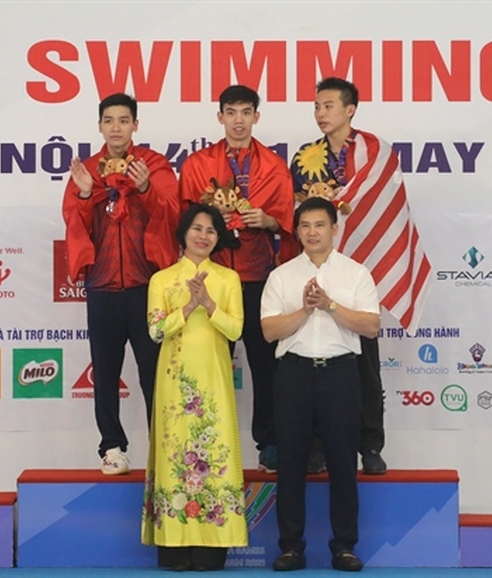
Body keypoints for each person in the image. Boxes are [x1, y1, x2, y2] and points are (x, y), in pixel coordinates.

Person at [290, 77, 432, 476]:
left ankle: (370, 444)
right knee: (314, 358)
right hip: (319, 264)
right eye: (317, 106)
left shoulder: (376, 152)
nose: (321, 114)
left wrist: (342, 201)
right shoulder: (304, 156)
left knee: (366, 363)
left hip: (361, 270)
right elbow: (300, 210)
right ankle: (316, 446)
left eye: (329, 106)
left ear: (350, 109)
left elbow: (381, 204)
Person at [178, 84, 296, 473]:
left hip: (257, 276)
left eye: (247, 112)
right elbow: (185, 219)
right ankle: (206, 443)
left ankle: (270, 443)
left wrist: (268, 220)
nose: (239, 120)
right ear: (220, 117)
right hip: (213, 277)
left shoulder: (274, 166)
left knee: (265, 366)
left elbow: (286, 220)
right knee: (209, 362)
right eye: (232, 112)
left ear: (257, 117)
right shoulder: (197, 165)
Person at [62, 93, 180, 475]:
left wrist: (145, 190)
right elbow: (74, 221)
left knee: (154, 375)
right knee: (106, 374)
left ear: (135, 125)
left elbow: (173, 214)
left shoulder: (154, 165)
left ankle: (162, 448)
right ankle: (112, 447)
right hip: (102, 287)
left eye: (124, 120)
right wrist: (83, 193)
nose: (116, 127)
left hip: (148, 288)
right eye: (109, 120)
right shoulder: (88, 171)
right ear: (99, 126)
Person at [261, 197, 380, 572]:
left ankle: (344, 546)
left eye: (320, 225)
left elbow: (371, 326)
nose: (312, 232)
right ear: (296, 232)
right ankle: (291, 548)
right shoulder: (281, 276)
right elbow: (269, 331)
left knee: (343, 463)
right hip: (294, 374)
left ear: (334, 229)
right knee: (291, 463)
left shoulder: (356, 273)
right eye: (305, 226)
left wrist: (329, 305)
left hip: (341, 374)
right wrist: (305, 309)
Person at [141, 204, 247, 572]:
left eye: (212, 231)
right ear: (184, 233)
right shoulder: (163, 279)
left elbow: (236, 330)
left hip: (214, 378)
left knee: (212, 453)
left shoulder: (228, 278)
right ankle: (173, 544)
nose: (203, 236)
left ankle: (212, 544)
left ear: (218, 239)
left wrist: (209, 304)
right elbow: (155, 331)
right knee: (176, 454)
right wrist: (187, 308)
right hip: (174, 383)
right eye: (197, 228)